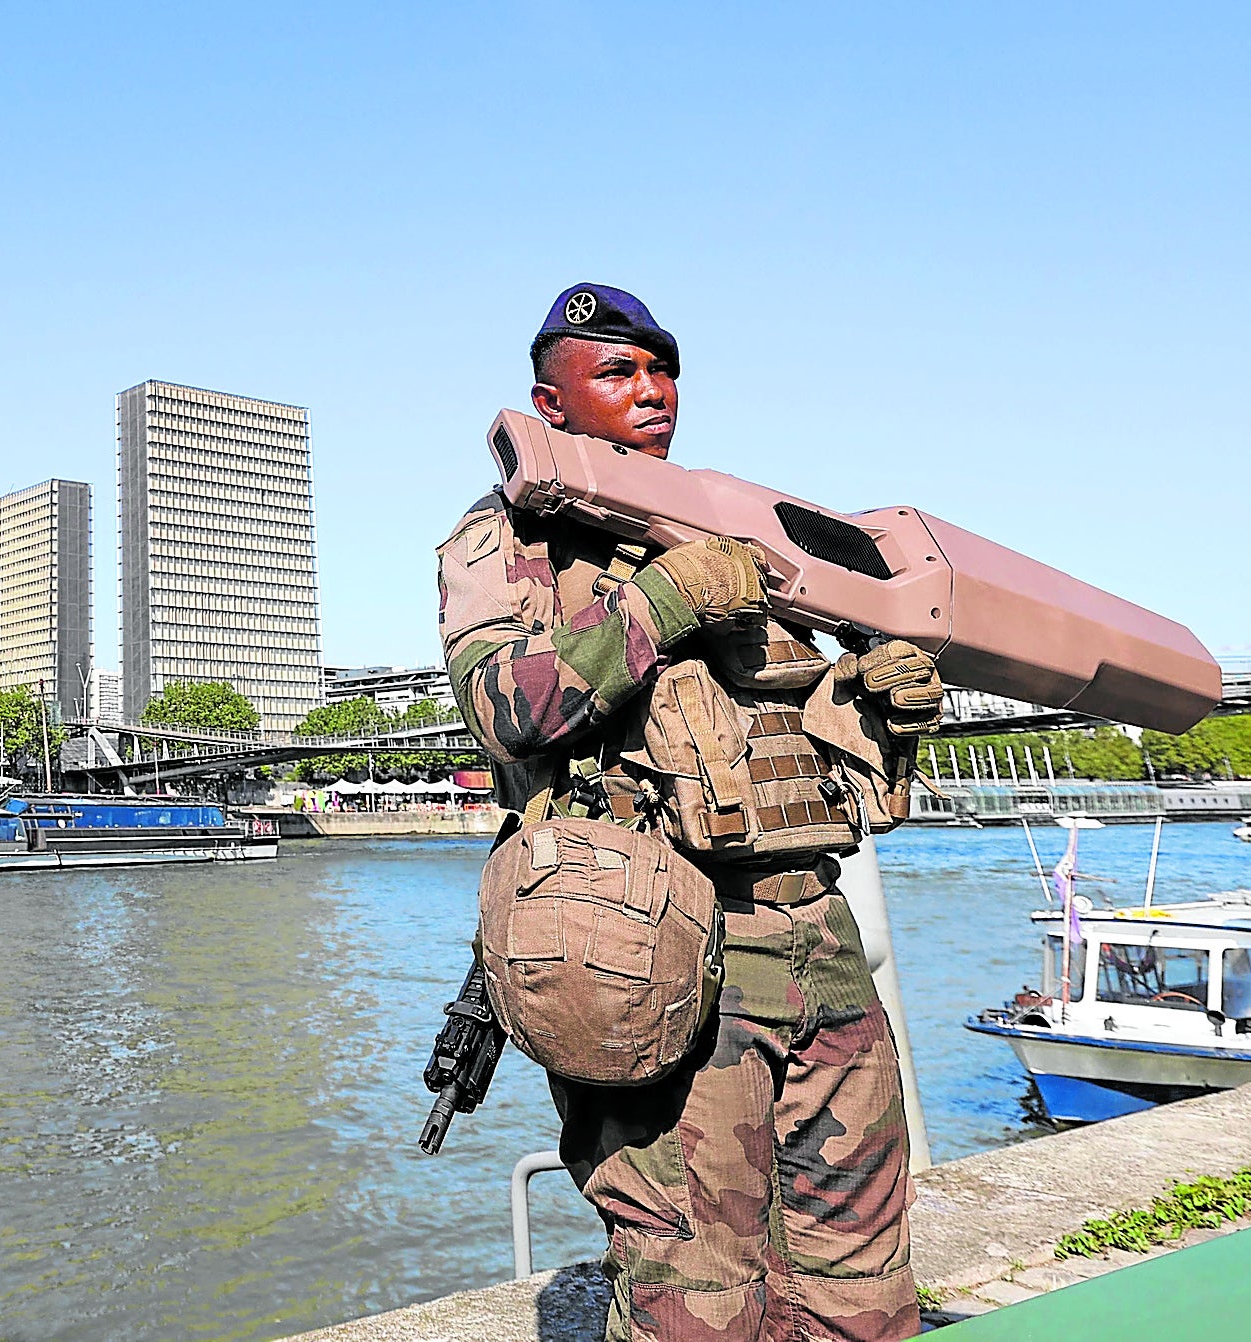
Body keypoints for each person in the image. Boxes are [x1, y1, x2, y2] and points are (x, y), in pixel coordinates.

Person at [437, 284, 942, 1342]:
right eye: (618, 372)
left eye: (663, 369)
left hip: (814, 933)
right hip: (659, 949)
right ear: (552, 400)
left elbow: (802, 746)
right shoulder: (508, 542)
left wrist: (877, 704)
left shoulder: (746, 532)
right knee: (697, 1299)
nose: (653, 390)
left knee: (864, 1283)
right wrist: (662, 603)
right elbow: (505, 712)